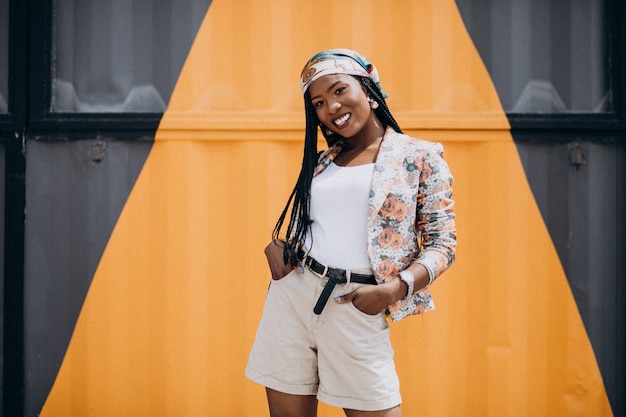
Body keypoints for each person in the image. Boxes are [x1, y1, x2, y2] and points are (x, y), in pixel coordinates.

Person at [246, 49, 456, 417]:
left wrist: (396, 288)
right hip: (292, 298)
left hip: (355, 302)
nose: (332, 107)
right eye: (319, 102)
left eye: (340, 90)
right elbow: (322, 227)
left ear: (369, 90)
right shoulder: (325, 161)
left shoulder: (420, 156)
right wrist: (278, 245)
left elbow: (443, 244)